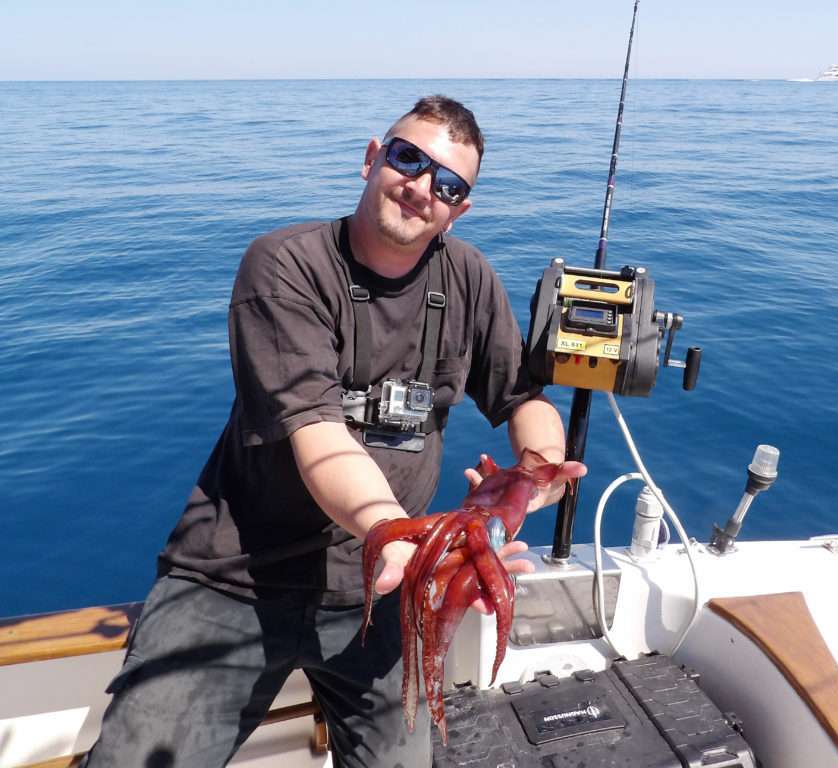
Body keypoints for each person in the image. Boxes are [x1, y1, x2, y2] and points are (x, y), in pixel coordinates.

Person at [83, 96, 585, 768]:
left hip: (377, 592)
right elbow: (319, 439)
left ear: (459, 209)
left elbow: (523, 396)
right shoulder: (285, 265)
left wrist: (535, 474)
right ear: (373, 156)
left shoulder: (468, 278)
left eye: (448, 184)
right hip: (235, 581)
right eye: (409, 159)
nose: (420, 188)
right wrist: (393, 533)